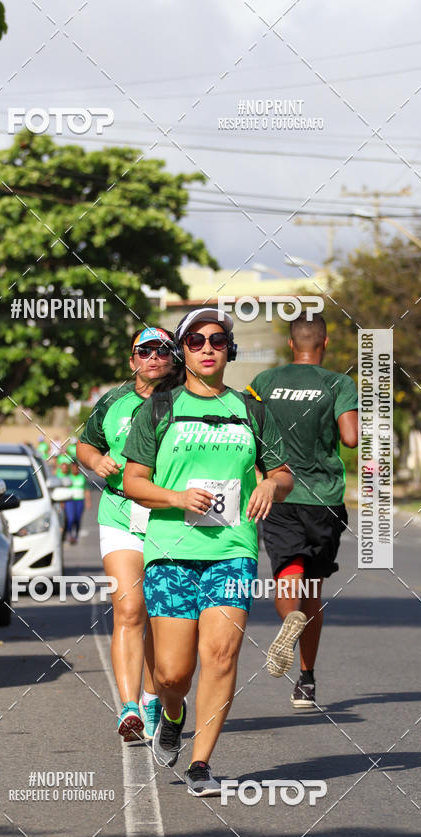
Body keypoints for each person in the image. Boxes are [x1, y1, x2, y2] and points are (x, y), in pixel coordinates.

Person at [123, 309, 292, 796]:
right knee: (173, 672)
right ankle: (172, 712)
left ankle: (202, 764)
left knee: (220, 654)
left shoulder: (252, 410)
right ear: (184, 350)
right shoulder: (158, 410)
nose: (207, 348)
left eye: (217, 340)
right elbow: (133, 481)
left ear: (229, 349)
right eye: (195, 340)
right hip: (170, 550)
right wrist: (176, 498)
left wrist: (270, 489)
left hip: (233, 549)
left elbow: (283, 473)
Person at [247, 311, 358, 709]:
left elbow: (246, 429)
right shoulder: (339, 383)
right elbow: (350, 437)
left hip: (278, 493)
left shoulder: (264, 382)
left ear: (292, 344)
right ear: (324, 344)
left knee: (286, 573)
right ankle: (306, 681)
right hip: (324, 497)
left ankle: (287, 622)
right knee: (313, 588)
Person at [77, 327, 175, 742]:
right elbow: (83, 444)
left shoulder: (184, 400)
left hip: (169, 517)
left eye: (163, 350)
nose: (154, 357)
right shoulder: (114, 401)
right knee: (130, 608)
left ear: (175, 358)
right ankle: (130, 707)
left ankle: (154, 698)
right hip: (119, 512)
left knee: (160, 614)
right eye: (145, 351)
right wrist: (96, 460)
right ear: (133, 359)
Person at [64, 461, 91, 544]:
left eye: (76, 468)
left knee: (77, 519)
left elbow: (86, 490)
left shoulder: (82, 478)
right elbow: (63, 490)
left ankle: (76, 536)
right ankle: (69, 535)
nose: (74, 469)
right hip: (69, 501)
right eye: (73, 468)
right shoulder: (68, 477)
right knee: (70, 519)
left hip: (80, 500)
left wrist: (88, 501)